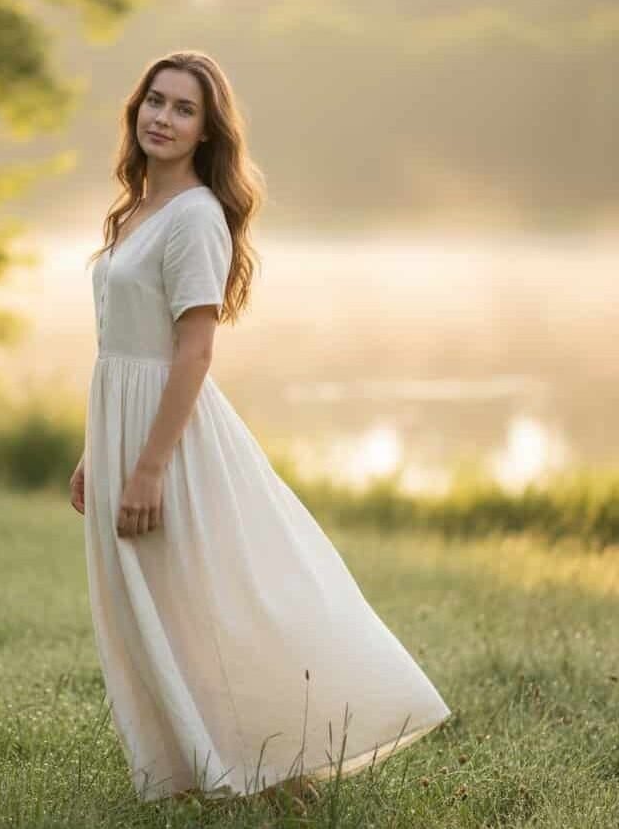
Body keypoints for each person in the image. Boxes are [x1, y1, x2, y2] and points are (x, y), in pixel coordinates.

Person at [68, 50, 451, 804]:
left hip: (167, 437)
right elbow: (121, 342)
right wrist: (95, 451)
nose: (163, 117)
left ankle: (271, 766)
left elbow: (195, 347)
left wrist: (146, 467)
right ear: (134, 109)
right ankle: (195, 766)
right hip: (122, 425)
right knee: (153, 602)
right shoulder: (136, 210)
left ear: (208, 132)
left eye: (183, 109)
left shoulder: (195, 217)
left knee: (213, 596)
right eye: (155, 100)